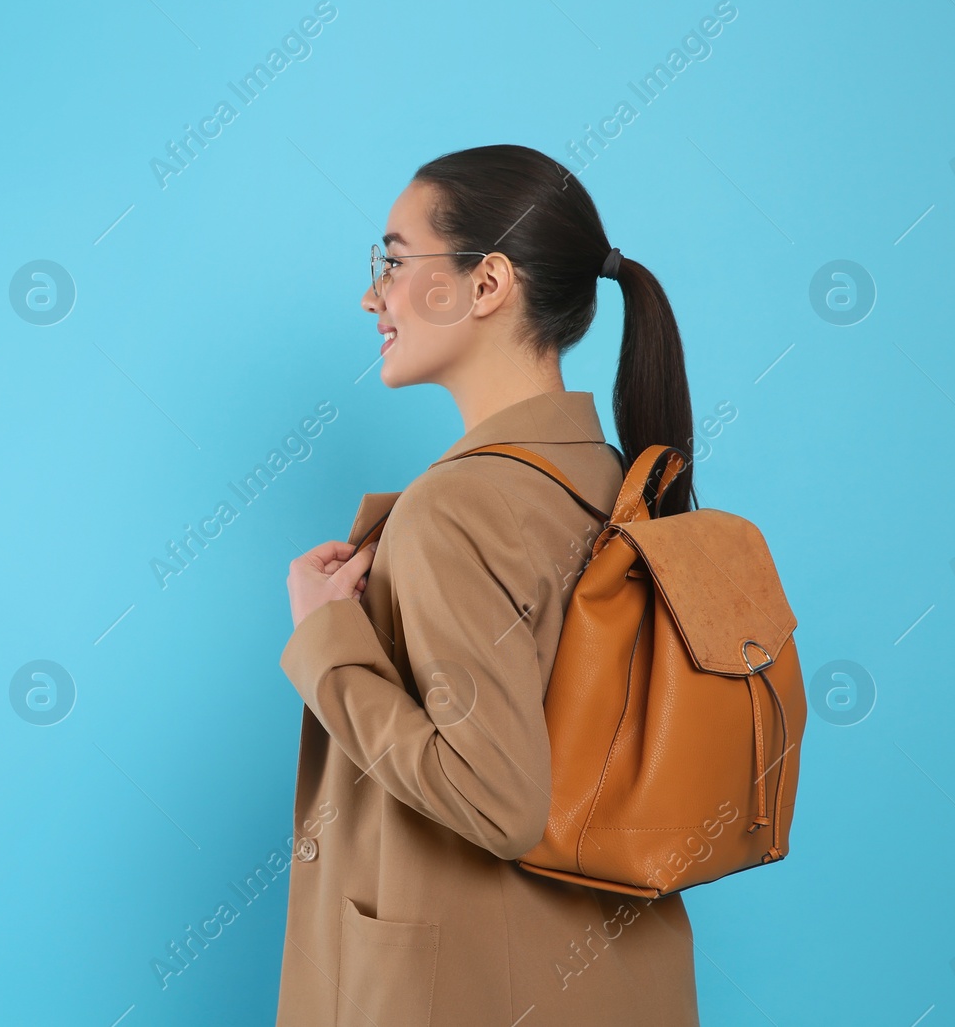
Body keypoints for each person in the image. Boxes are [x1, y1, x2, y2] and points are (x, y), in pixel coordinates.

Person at [276, 144, 700, 1026]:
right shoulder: (612, 479)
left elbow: (497, 801)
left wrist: (326, 643)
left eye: (393, 262)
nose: (372, 296)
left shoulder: (457, 508)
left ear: (486, 283)